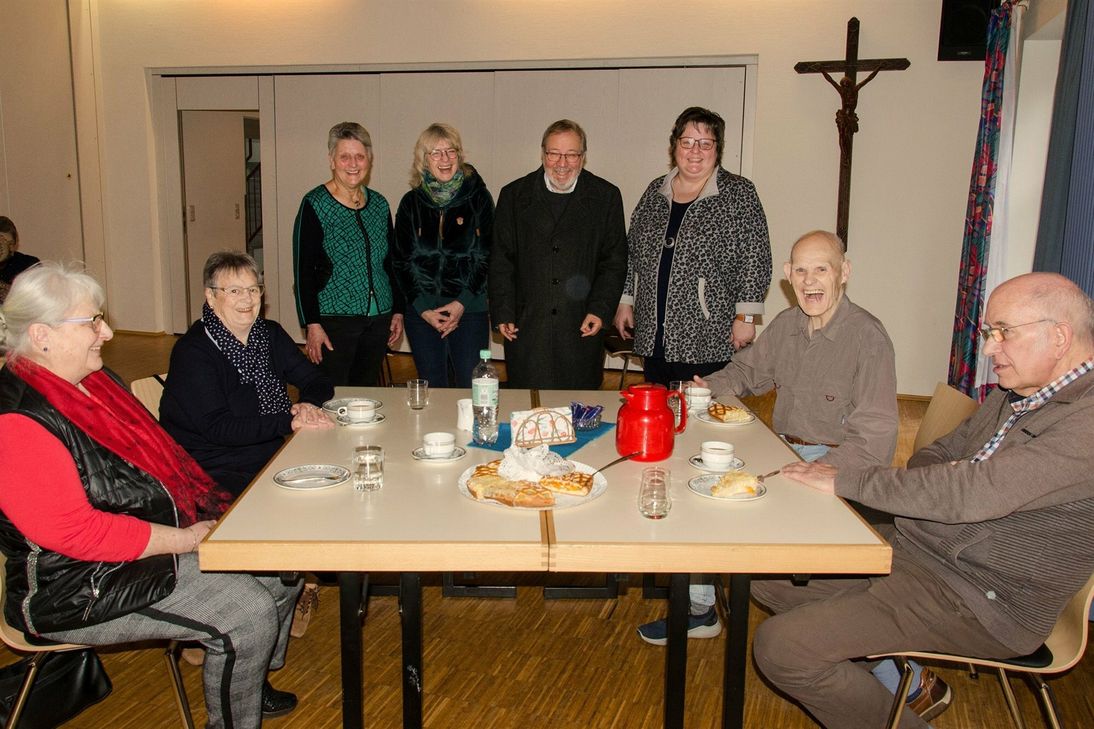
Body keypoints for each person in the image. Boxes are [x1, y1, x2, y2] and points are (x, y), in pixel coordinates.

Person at [750, 272, 1094, 729]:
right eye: (987, 334)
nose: (989, 350)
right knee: (767, 577)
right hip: (925, 550)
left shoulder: (1085, 423)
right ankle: (905, 684)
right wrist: (952, 483)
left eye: (1002, 333)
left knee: (783, 648)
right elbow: (942, 454)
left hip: (983, 596)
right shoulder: (1018, 394)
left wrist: (848, 480)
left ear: (1059, 336)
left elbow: (972, 493)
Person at [0, 262, 301, 728]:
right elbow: (77, 534)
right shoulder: (19, 422)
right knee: (247, 608)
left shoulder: (92, 384)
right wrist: (186, 539)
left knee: (279, 569)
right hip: (75, 586)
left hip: (132, 549)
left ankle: (247, 682)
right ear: (42, 335)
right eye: (91, 321)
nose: (106, 331)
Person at [636, 230, 899, 645]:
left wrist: (822, 471)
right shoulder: (789, 323)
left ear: (844, 272)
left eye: (821, 269)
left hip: (829, 463)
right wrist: (703, 388)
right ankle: (701, 608)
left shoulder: (867, 337)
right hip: (780, 449)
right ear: (786, 275)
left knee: (719, 497)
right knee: (700, 480)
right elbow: (746, 372)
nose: (810, 281)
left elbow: (876, 437)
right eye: (801, 270)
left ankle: (872, 649)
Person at [613, 107, 772, 385]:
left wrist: (746, 316)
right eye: (686, 142)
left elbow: (755, 258)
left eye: (705, 143)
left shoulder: (738, 193)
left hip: (706, 332)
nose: (694, 151)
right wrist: (626, 300)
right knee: (660, 408)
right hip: (653, 331)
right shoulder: (654, 191)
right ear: (675, 146)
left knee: (700, 414)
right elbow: (632, 249)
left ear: (717, 148)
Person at [160, 251, 334, 498]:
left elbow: (316, 379)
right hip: (211, 467)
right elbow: (219, 428)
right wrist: (288, 421)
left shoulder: (269, 334)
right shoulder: (193, 352)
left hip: (265, 451)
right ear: (210, 296)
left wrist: (307, 405)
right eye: (234, 291)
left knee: (336, 467)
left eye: (253, 289)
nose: (247, 299)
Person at [489, 119, 627, 389]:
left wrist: (600, 310)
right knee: (529, 410)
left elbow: (614, 261)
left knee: (580, 413)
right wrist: (503, 312)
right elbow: (500, 261)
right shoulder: (514, 196)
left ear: (583, 157)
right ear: (543, 154)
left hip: (580, 327)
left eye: (571, 154)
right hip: (527, 328)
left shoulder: (606, 197)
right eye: (554, 153)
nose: (562, 163)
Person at [293, 121, 405, 385]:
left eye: (360, 156)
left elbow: (390, 262)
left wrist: (398, 310)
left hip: (379, 320)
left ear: (369, 159)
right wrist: (312, 323)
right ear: (332, 160)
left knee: (367, 396)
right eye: (345, 156)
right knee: (333, 395)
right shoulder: (315, 204)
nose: (353, 164)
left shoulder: (379, 204)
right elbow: (303, 270)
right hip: (333, 321)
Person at [393, 123, 494, 387]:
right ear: (424, 161)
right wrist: (424, 309)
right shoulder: (410, 203)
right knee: (432, 390)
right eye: (436, 153)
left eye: (451, 151)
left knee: (471, 389)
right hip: (422, 313)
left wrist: (461, 304)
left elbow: (486, 256)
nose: (445, 159)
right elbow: (401, 261)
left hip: (469, 310)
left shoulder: (479, 198)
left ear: (460, 156)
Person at [0, 216, 40, 303]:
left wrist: (13, 296)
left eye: (7, 243)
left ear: (15, 244)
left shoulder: (29, 264)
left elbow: (39, 299)